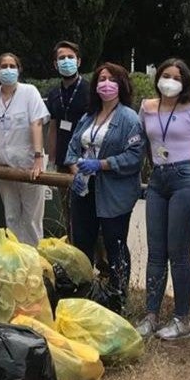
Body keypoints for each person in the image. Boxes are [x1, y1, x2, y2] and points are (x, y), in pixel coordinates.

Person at [136, 59, 190, 341]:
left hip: (188, 177)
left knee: (178, 252)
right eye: (165, 75)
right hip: (159, 178)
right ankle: (151, 315)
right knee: (156, 251)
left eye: (176, 76)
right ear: (158, 78)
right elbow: (144, 145)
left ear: (184, 82)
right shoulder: (147, 107)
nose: (170, 80)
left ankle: (181, 319)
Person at [64, 62, 143, 302]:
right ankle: (84, 295)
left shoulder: (129, 119)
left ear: (122, 85)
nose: (106, 84)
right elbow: (72, 148)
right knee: (82, 243)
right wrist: (76, 170)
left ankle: (118, 296)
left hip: (114, 192)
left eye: (112, 79)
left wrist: (103, 164)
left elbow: (135, 156)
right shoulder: (88, 117)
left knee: (114, 243)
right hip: (84, 190)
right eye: (101, 79)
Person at [0, 53, 50, 245]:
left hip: (29, 163)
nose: (8, 70)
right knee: (12, 216)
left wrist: (38, 157)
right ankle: (16, 259)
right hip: (3, 165)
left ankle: (34, 262)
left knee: (31, 219)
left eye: (12, 66)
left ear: (18, 69)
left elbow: (36, 123)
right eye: (3, 66)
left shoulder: (29, 92)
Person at [44, 41, 90, 166]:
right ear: (55, 64)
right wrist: (51, 160)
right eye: (62, 58)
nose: (66, 61)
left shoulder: (90, 91)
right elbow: (52, 128)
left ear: (78, 62)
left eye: (70, 57)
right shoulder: (54, 94)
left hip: (85, 160)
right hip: (61, 159)